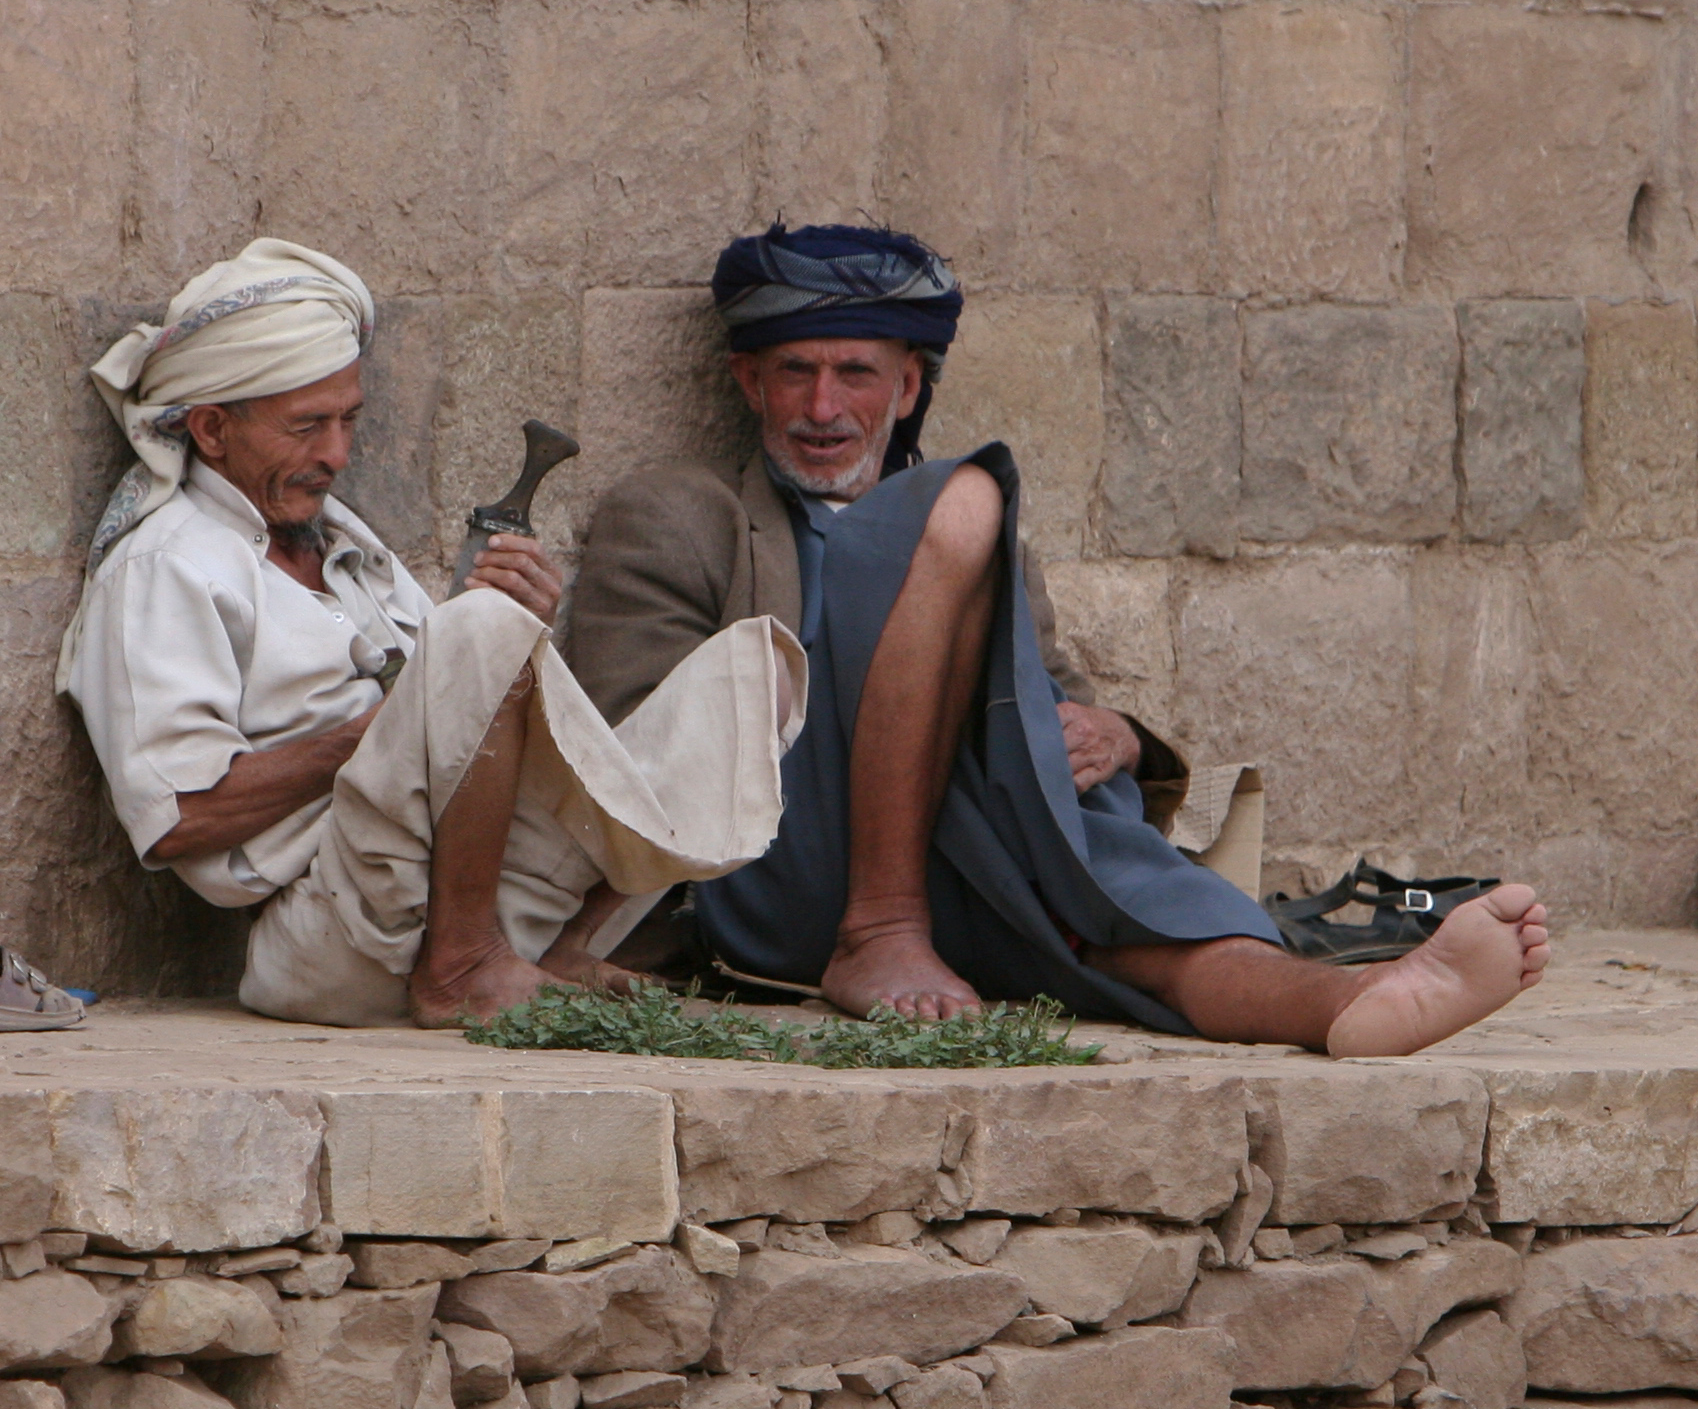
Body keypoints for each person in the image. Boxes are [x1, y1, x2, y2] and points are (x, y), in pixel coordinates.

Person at [566, 224, 1548, 1056]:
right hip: (789, 857)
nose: (824, 408)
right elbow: (633, 755)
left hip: (974, 851)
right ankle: (881, 926)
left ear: (908, 387)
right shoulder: (676, 513)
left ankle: (1348, 1005)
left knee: (1132, 925)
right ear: (749, 380)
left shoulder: (980, 551)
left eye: (855, 374)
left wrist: (1117, 735)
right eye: (797, 373)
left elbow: (1039, 683)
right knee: (965, 495)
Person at [59, 239, 805, 1028]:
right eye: (306, 427)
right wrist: (396, 724)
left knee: (760, 672)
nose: (337, 455)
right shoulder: (167, 566)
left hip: (475, 890)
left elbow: (462, 723)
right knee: (483, 629)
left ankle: (556, 945)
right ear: (211, 430)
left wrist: (517, 651)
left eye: (348, 421)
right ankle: (460, 967)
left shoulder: (350, 547)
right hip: (337, 930)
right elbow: (178, 819)